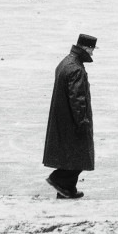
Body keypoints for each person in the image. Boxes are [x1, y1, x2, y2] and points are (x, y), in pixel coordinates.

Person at [43, 33, 98, 199]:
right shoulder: (76, 69)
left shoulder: (66, 62)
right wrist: (83, 122)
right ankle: (59, 180)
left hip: (63, 118)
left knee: (72, 156)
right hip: (72, 120)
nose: (93, 53)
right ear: (86, 48)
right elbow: (78, 98)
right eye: (92, 49)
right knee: (79, 155)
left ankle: (67, 188)